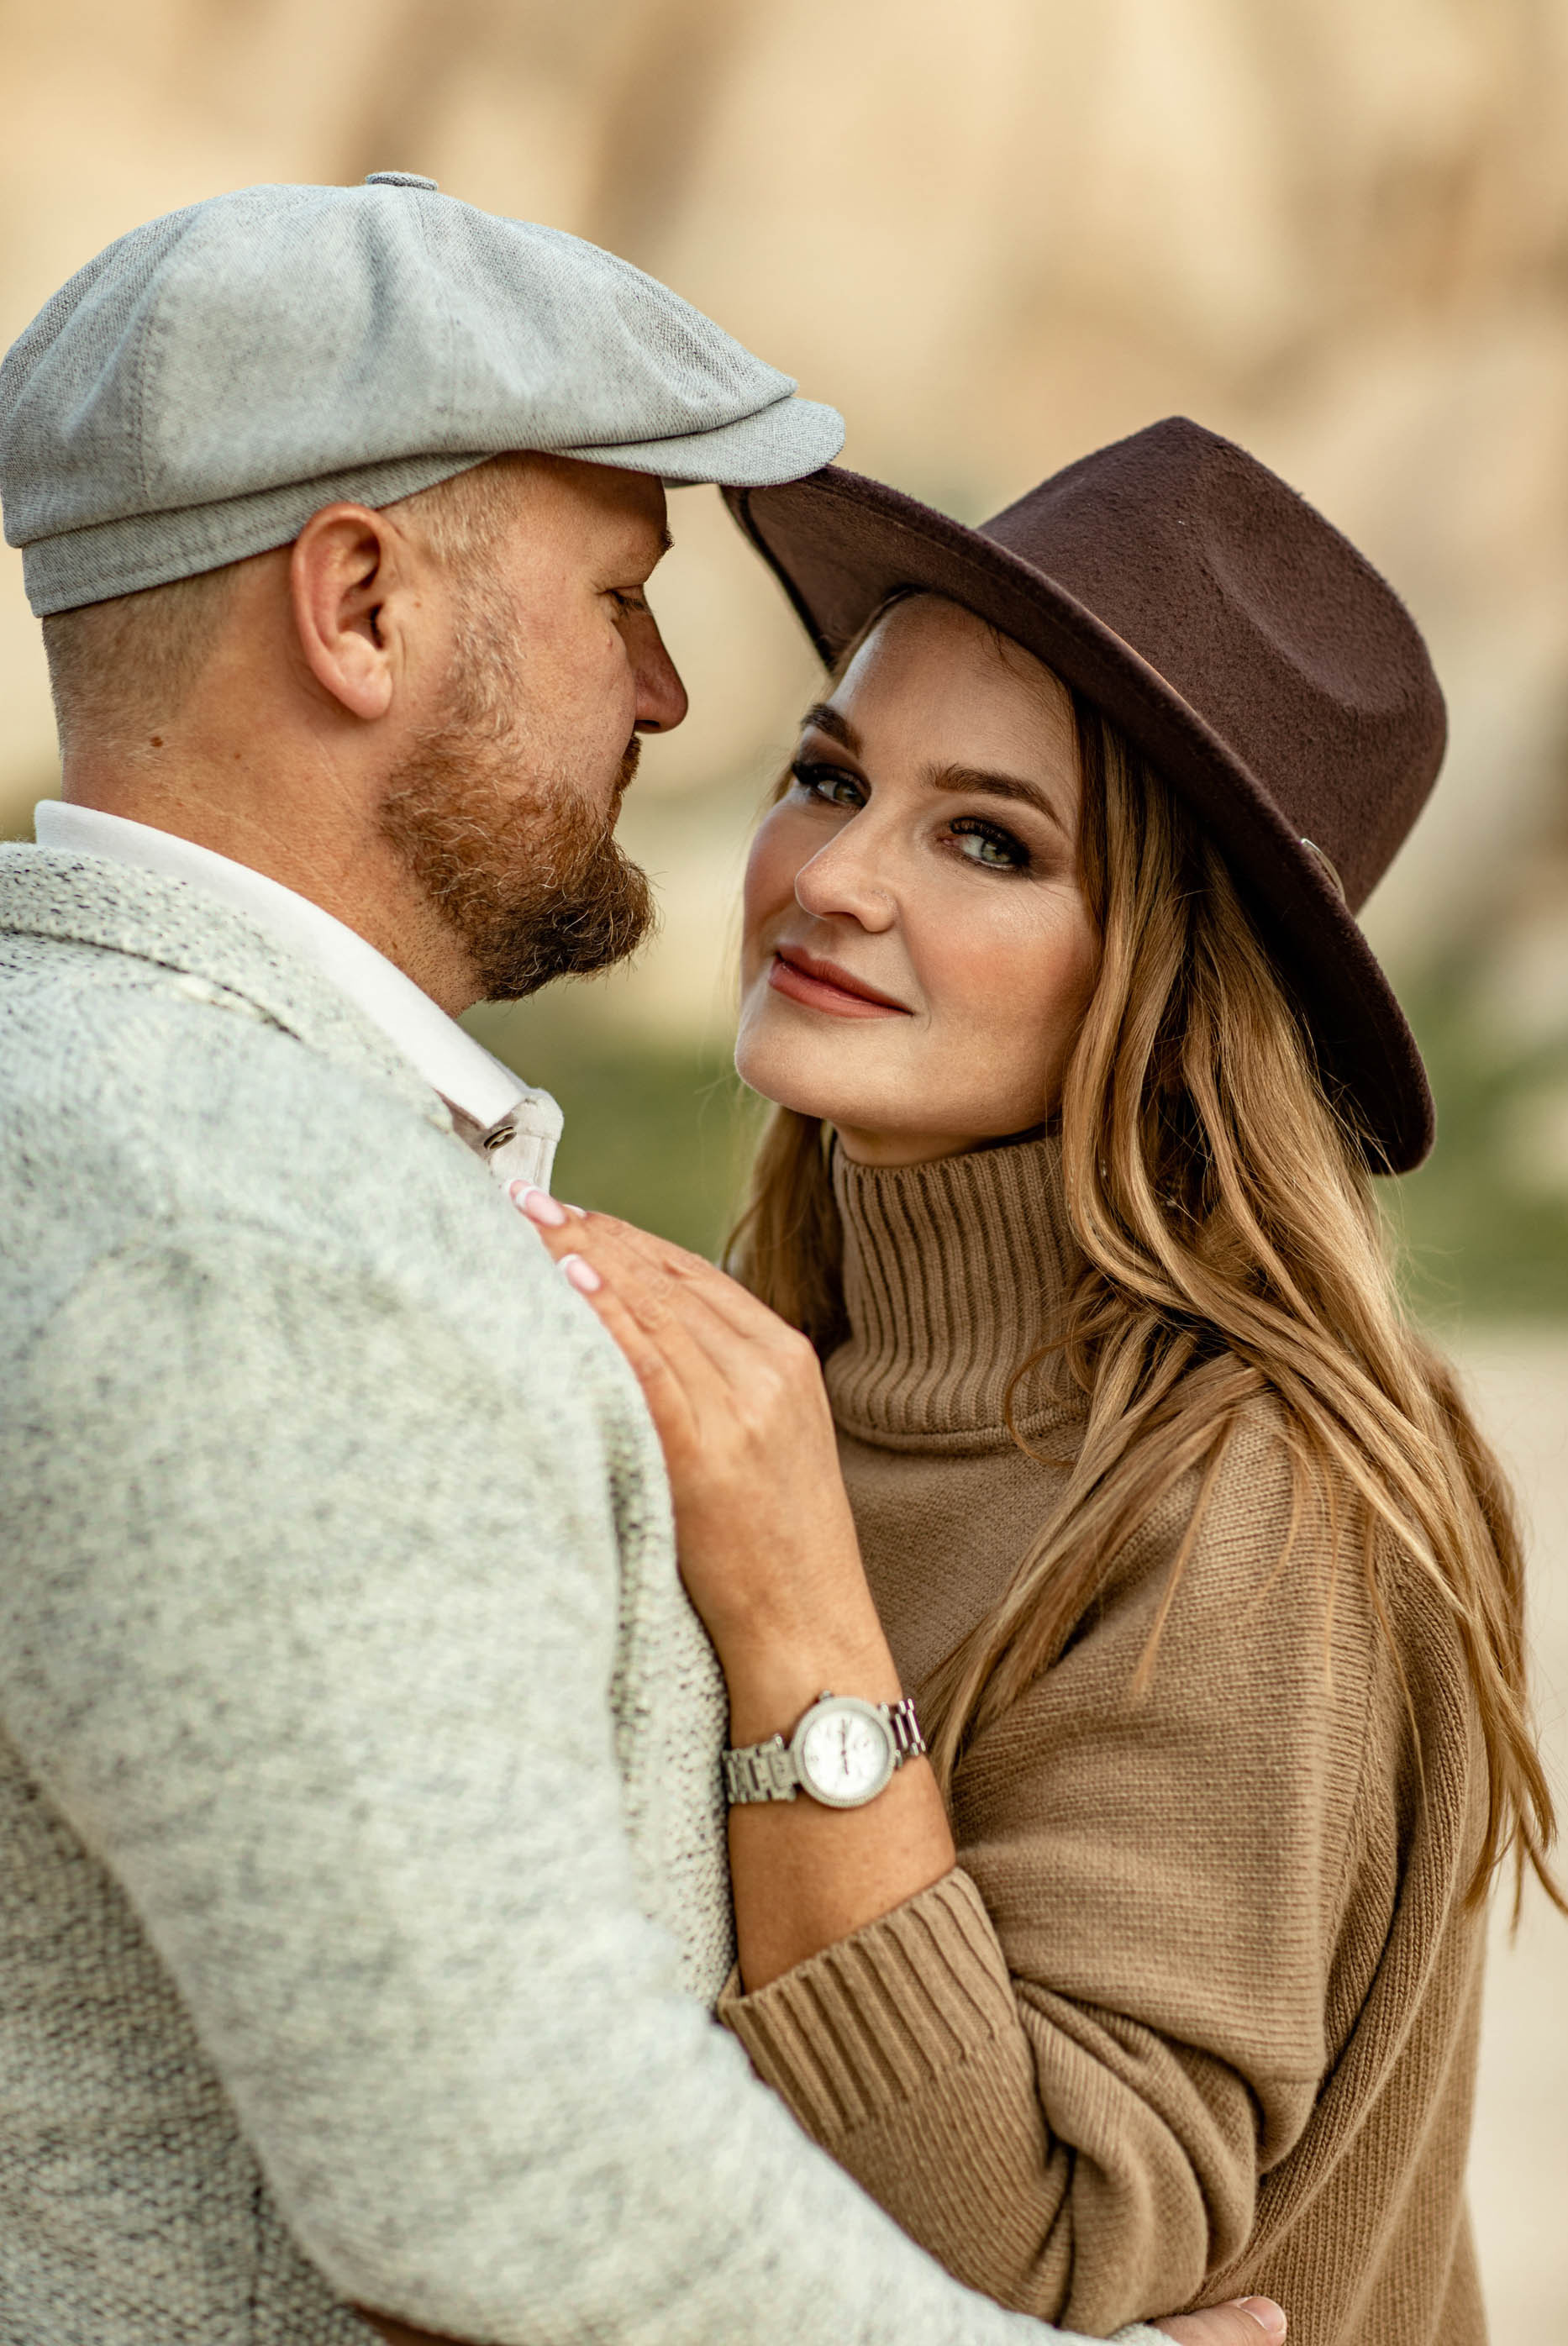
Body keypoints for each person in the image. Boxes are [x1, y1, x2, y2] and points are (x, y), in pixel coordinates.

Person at [0, 179, 1271, 2346]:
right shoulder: (253, 1233)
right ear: (361, 607)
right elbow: (505, 2177)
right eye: (619, 596)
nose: (673, 695)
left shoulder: (116, 1102)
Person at [522, 425, 1568, 2346]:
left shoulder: (1246, 1493)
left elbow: (1050, 2259)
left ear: (1166, 981)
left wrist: (791, 1604)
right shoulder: (779, 1370)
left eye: (988, 839)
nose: (833, 875)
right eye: (828, 776)